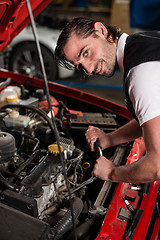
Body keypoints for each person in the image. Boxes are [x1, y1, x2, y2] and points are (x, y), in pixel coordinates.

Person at [55, 17, 160, 184]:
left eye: (86, 52)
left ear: (101, 31)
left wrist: (112, 172)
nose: (88, 70)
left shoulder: (140, 75)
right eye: (80, 66)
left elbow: (156, 166)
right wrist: (109, 139)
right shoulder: (143, 43)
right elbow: (152, 118)